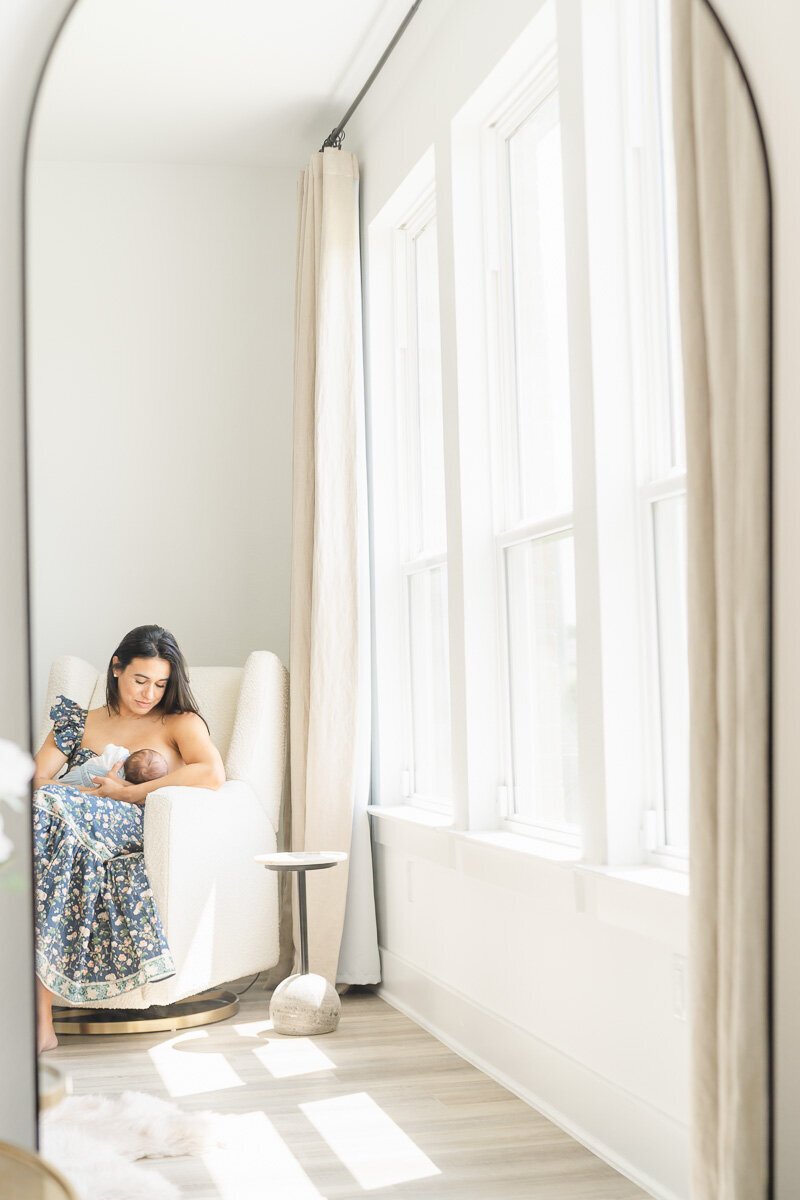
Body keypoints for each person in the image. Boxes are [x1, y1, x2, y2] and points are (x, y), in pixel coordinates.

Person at [32, 624, 226, 1054]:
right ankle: (37, 1021)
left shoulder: (180, 722)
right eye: (140, 680)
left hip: (124, 824)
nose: (149, 694)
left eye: (160, 684)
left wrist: (128, 792)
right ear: (117, 668)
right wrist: (82, 793)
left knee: (42, 820)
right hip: (62, 818)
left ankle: (38, 1021)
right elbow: (37, 779)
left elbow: (212, 774)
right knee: (38, 824)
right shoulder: (78, 722)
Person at [57, 743, 169, 789]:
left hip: (79, 775)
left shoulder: (119, 753)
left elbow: (109, 747)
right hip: (90, 788)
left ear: (138, 750)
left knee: (58, 786)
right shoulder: (125, 786)